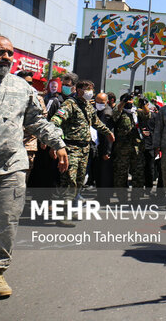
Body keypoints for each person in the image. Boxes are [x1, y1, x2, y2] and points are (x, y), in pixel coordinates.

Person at [0, 35, 68, 298]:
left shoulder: (23, 88)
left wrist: (58, 143)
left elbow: (37, 121)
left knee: (6, 220)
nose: (5, 57)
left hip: (10, 165)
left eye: (9, 53)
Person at [51, 79, 115, 225]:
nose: (90, 92)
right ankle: (63, 215)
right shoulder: (69, 104)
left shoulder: (87, 105)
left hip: (84, 149)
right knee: (69, 180)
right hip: (71, 148)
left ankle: (71, 210)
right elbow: (56, 120)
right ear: (79, 90)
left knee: (79, 181)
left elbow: (96, 122)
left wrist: (107, 133)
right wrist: (54, 143)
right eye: (88, 89)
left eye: (92, 89)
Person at [112, 93, 145, 203]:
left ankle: (136, 198)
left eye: (131, 99)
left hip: (137, 148)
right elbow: (115, 114)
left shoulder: (136, 112)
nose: (130, 101)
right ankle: (122, 198)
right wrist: (123, 102)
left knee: (138, 174)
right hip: (122, 149)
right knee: (121, 174)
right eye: (128, 100)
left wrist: (143, 101)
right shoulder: (120, 112)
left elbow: (147, 114)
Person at [93, 92, 115, 204]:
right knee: (99, 173)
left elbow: (109, 133)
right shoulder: (98, 111)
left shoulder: (107, 113)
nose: (99, 104)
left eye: (101, 102)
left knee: (104, 174)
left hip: (104, 148)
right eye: (97, 101)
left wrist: (107, 151)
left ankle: (104, 197)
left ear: (106, 102)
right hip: (99, 146)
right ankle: (100, 195)